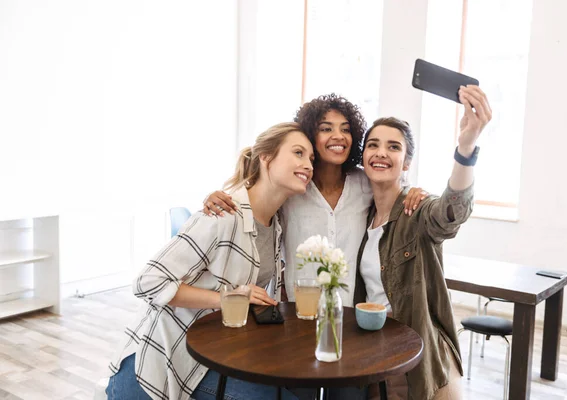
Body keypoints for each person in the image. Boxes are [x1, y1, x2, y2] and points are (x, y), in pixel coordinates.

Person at [106, 122, 315, 400]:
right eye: (298, 153)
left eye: (312, 158)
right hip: (157, 367)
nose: (308, 165)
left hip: (209, 361)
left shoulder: (274, 225)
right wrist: (230, 297)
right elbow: (147, 282)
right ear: (266, 157)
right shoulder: (223, 214)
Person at [203, 94, 428, 307]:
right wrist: (213, 196)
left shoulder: (364, 184)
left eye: (346, 129)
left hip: (348, 314)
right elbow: (256, 196)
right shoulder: (292, 187)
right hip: (297, 310)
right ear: (311, 136)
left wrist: (413, 192)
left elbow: (391, 187)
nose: (338, 136)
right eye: (326, 129)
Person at [355, 85, 492, 400]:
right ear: (363, 158)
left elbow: (451, 212)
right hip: (375, 352)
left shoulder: (417, 211)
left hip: (423, 355)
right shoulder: (360, 218)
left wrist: (466, 146)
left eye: (393, 147)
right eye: (373, 145)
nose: (381, 153)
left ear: (406, 162)